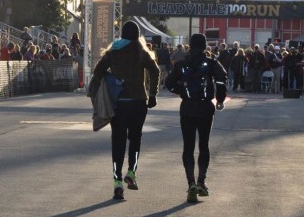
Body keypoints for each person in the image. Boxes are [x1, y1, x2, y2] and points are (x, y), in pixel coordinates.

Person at [93, 21, 160, 200]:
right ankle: (132, 172)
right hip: (138, 102)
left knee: (118, 141)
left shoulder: (113, 51)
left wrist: (109, 83)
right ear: (138, 35)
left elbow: (98, 71)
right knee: (136, 139)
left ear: (122, 33)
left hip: (118, 103)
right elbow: (155, 71)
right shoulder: (141, 51)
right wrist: (152, 94)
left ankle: (117, 181)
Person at [165, 33, 227, 203]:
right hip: (205, 106)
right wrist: (220, 99)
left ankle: (191, 182)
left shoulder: (182, 64)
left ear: (190, 45)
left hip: (187, 106)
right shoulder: (211, 62)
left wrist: (181, 91)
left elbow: (168, 83)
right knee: (204, 144)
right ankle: (201, 181)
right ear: (204, 45)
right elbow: (222, 78)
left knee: (188, 146)